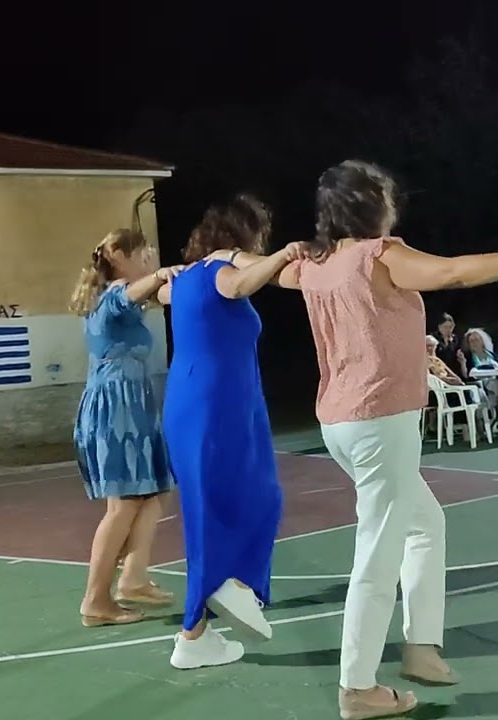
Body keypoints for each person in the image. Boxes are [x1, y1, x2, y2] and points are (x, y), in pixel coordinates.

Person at [277, 160, 498, 720]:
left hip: (341, 422)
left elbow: (263, 270)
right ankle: (357, 687)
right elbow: (454, 273)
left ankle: (421, 647)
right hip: (379, 421)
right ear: (375, 203)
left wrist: (226, 260)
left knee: (425, 524)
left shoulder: (313, 265)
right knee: (378, 549)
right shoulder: (379, 255)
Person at [159, 194, 307, 670]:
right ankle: (236, 586)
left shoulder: (183, 279)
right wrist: (285, 254)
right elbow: (239, 283)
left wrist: (157, 276)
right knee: (262, 496)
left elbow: (153, 293)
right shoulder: (224, 263)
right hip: (219, 402)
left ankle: (194, 634)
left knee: (207, 509)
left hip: (187, 402)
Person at [70, 229, 183, 627]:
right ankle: (95, 601)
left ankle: (133, 578)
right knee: (122, 506)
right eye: (145, 253)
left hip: (133, 406)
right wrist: (162, 274)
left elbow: (144, 296)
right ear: (120, 255)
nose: (150, 258)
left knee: (155, 490)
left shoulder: (125, 298)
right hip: (114, 409)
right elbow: (131, 294)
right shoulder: (114, 295)